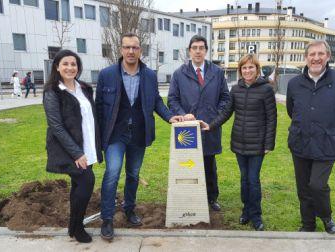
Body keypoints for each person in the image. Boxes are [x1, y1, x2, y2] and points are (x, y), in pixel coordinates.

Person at [96, 33, 183, 240]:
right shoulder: (107, 74)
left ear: (140, 51)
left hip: (138, 134)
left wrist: (171, 117)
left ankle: (129, 209)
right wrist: (98, 137)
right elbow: (99, 107)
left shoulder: (149, 75)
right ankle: (107, 218)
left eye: (135, 48)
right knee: (112, 173)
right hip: (115, 134)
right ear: (121, 49)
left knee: (133, 174)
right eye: (127, 47)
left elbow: (156, 103)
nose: (131, 51)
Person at [286, 40, 335, 234]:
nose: (316, 58)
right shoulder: (294, 84)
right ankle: (308, 225)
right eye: (312, 54)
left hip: (327, 143)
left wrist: (331, 128)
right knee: (303, 188)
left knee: (317, 185)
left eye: (320, 54)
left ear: (328, 56)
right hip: (300, 142)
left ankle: (326, 217)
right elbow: (292, 111)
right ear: (306, 58)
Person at [201, 54, 277, 231]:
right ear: (240, 71)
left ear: (257, 69)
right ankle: (246, 211)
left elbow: (272, 119)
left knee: (253, 179)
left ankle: (256, 216)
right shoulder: (236, 89)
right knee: (244, 179)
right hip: (239, 143)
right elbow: (227, 112)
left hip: (258, 144)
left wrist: (268, 144)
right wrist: (210, 126)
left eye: (251, 67)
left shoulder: (266, 90)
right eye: (244, 68)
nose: (247, 70)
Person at [43, 49, 102, 243]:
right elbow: (56, 126)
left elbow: (90, 117)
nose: (70, 67)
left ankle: (73, 226)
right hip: (69, 149)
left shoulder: (84, 88)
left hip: (87, 145)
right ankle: (77, 228)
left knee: (79, 185)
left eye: (74, 64)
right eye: (65, 64)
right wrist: (77, 153)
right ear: (57, 67)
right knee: (86, 182)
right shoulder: (52, 91)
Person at [168, 35, 230, 212]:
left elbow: (225, 97)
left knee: (209, 164)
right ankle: (189, 197)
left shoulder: (217, 73)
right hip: (187, 130)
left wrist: (215, 117)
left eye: (201, 47)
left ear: (206, 51)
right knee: (187, 164)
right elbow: (172, 99)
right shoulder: (179, 74)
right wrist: (182, 114)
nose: (197, 51)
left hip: (209, 126)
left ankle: (211, 198)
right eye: (194, 47)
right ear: (189, 51)